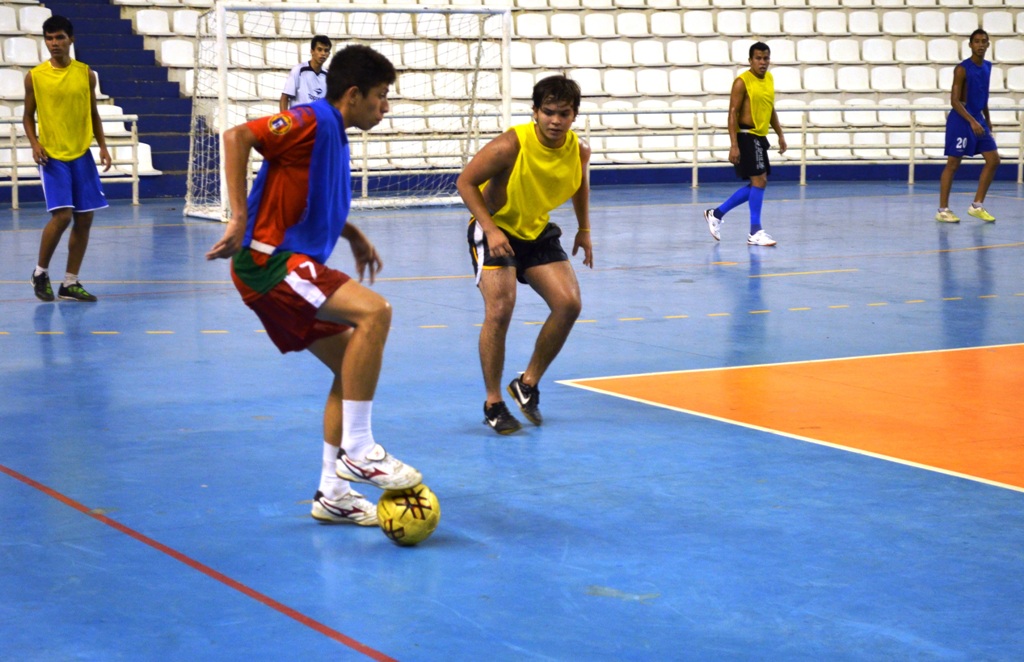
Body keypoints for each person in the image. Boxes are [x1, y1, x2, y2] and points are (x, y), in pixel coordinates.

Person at [206, 45, 421, 526]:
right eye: (381, 97)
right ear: (353, 94)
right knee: (375, 312)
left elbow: (307, 195)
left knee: (351, 363)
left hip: (283, 264)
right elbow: (237, 136)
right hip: (270, 263)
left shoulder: (335, 135)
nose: (385, 107)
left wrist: (352, 233)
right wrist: (238, 217)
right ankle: (361, 450)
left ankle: (333, 492)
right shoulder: (312, 119)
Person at [456, 75, 593, 435]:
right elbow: (465, 182)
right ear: (535, 112)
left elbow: (580, 185)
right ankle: (493, 403)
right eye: (548, 112)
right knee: (500, 310)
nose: (555, 120)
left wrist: (584, 229)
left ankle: (526, 384)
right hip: (495, 225)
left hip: (535, 229)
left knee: (569, 304)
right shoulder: (511, 144)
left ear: (574, 116)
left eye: (563, 113)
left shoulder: (578, 150)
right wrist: (490, 229)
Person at [25, 15, 111, 302]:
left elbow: (93, 113)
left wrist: (102, 146)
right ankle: (40, 272)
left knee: (84, 219)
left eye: (59, 37)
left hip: (81, 155)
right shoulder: (34, 77)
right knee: (62, 216)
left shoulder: (86, 74)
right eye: (49, 38)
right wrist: (34, 143)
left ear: (71, 39)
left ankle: (70, 283)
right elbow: (27, 117)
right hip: (52, 157)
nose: (54, 43)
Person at [703, 41, 787, 247]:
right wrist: (734, 144)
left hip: (759, 136)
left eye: (766, 58)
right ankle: (755, 232)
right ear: (750, 60)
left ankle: (716, 213)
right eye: (758, 58)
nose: (762, 62)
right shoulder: (742, 82)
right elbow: (732, 112)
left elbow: (770, 108)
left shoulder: (769, 79)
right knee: (760, 182)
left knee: (758, 183)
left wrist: (780, 134)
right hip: (746, 135)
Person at [936, 29, 1000, 223]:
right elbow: (954, 101)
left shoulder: (988, 66)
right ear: (970, 45)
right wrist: (971, 121)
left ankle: (976, 205)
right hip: (962, 120)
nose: (980, 45)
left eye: (984, 42)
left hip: (978, 119)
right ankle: (942, 209)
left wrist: (986, 119)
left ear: (988, 45)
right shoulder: (962, 69)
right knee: (953, 164)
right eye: (977, 41)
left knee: (994, 160)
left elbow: (983, 94)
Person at [279, 35, 332, 112]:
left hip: (317, 122)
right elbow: (284, 98)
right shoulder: (298, 70)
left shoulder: (327, 76)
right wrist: (285, 120)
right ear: (312, 51)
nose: (323, 53)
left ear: (329, 54)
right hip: (299, 121)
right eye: (319, 50)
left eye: (326, 50)